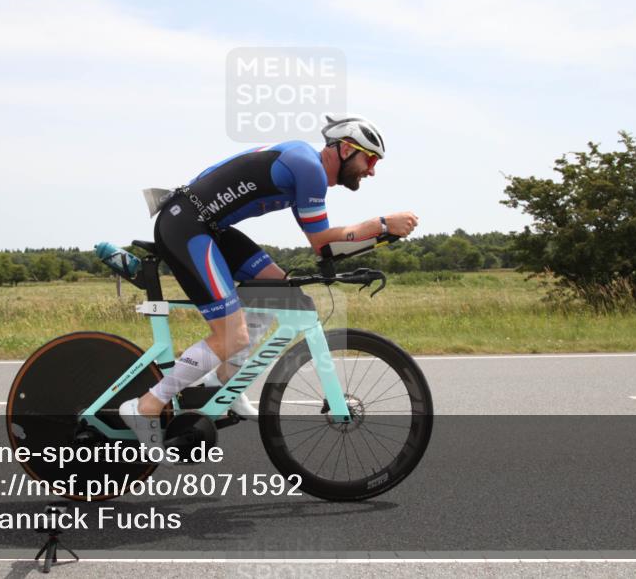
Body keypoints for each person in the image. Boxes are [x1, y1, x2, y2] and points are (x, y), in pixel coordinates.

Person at [119, 115, 419, 447]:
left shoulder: (307, 169)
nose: (372, 171)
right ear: (346, 150)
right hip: (186, 226)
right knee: (232, 335)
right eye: (370, 159)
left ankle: (225, 380)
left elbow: (323, 248)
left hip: (209, 228)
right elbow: (322, 239)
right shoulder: (309, 168)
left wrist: (380, 238)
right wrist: (381, 224)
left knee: (279, 290)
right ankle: (147, 405)